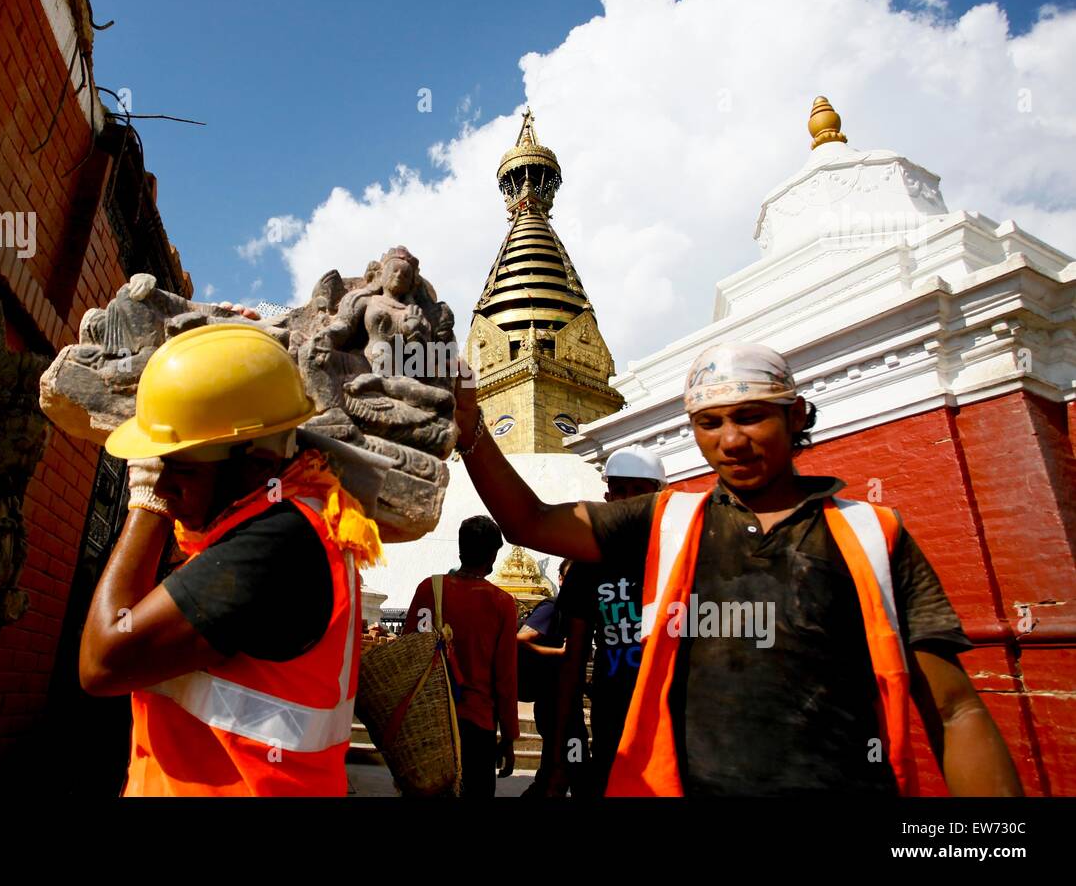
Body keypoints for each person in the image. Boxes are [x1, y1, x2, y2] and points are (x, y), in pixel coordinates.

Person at [452, 342, 1022, 796]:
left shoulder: (874, 536)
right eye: (709, 422)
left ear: (795, 414)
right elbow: (529, 521)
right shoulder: (666, 522)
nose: (730, 441)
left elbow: (954, 709)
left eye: (750, 417)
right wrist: (468, 422)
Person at [78, 320, 383, 796]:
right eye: (158, 470)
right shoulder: (272, 521)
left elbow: (102, 662)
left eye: (180, 468)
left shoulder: (278, 543)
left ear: (258, 464)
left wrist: (145, 506)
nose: (163, 485)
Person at [553, 445, 667, 795]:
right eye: (620, 490)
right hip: (612, 711)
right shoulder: (588, 561)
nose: (629, 499)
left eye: (639, 490)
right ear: (607, 496)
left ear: (659, 495)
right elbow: (575, 655)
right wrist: (563, 746)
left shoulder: (681, 550)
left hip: (670, 710)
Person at [405, 515, 518, 797]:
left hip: (431, 719)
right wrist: (508, 736)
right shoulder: (501, 603)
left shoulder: (428, 589)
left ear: (460, 548)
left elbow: (408, 650)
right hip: (477, 724)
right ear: (492, 555)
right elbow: (505, 678)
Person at [517, 558, 587, 796]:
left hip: (569, 702)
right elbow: (520, 639)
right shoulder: (552, 608)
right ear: (560, 579)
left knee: (571, 765)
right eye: (571, 578)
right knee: (563, 767)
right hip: (553, 702)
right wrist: (560, 653)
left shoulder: (576, 614)